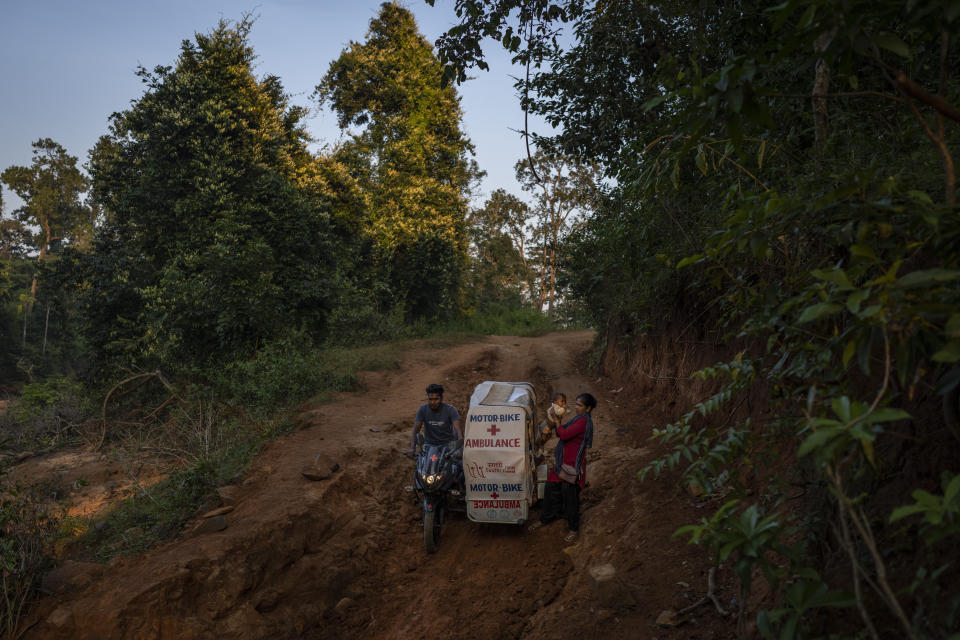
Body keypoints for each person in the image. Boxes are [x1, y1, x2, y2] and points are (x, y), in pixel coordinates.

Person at [529, 392, 596, 543]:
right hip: (563, 462)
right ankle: (546, 518)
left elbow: (564, 434)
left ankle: (573, 528)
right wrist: (554, 420)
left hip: (572, 465)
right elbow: (561, 431)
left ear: (588, 408)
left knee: (570, 497)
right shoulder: (578, 418)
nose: (576, 407)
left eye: (579, 405)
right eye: (576, 404)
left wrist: (558, 423)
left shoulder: (584, 422)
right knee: (551, 488)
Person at [405, 383, 463, 455]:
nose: (433, 402)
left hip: (447, 445)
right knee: (421, 463)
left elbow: (458, 431)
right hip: (429, 445)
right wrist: (412, 448)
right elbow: (415, 430)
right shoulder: (422, 409)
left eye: (436, 399)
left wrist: (461, 448)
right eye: (430, 399)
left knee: (455, 464)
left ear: (441, 399)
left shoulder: (451, 410)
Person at [535, 392, 567, 463]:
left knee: (544, 439)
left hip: (548, 426)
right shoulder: (556, 407)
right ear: (555, 402)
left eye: (564, 401)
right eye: (562, 401)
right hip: (546, 426)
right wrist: (564, 409)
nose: (564, 403)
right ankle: (539, 451)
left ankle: (540, 451)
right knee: (542, 439)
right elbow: (559, 412)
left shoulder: (555, 406)